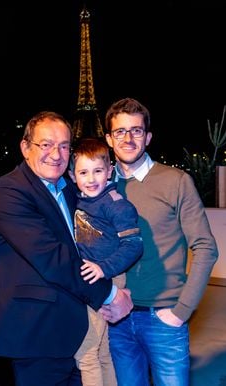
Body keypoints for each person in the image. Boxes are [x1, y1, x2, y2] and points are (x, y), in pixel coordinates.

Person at [0, 111, 134, 386]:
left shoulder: (71, 189)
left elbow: (97, 241)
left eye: (63, 145)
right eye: (45, 144)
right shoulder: (10, 190)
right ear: (25, 148)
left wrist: (116, 282)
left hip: (78, 327)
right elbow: (53, 259)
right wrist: (109, 295)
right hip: (39, 335)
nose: (56, 154)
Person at [102, 97, 219, 386]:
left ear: (148, 137)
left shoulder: (175, 181)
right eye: (120, 131)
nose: (128, 138)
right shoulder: (99, 185)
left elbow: (206, 248)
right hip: (115, 318)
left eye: (136, 131)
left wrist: (181, 311)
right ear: (108, 138)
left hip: (163, 319)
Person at [68, 137, 144, 386]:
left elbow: (134, 246)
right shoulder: (79, 201)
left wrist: (103, 269)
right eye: (83, 172)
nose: (91, 179)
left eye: (98, 171)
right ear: (73, 175)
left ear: (110, 171)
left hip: (106, 276)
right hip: (92, 277)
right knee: (101, 352)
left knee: (87, 353)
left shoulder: (117, 205)